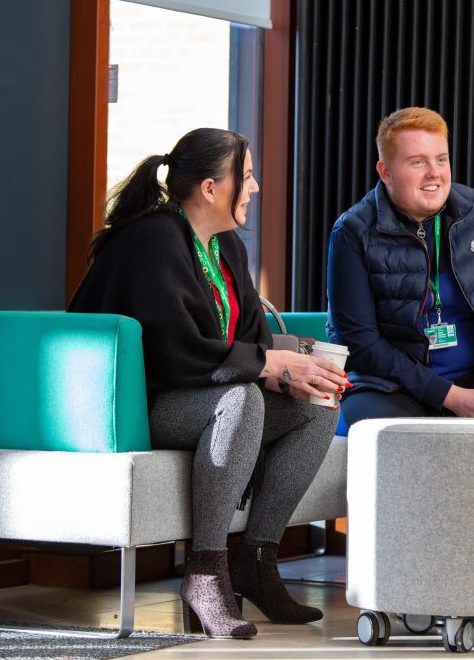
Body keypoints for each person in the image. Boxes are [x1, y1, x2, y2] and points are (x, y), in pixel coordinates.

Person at [69, 128, 347, 639]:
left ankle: (256, 561)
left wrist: (299, 373)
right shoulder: (154, 239)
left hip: (204, 395)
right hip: (146, 402)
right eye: (245, 176)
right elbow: (174, 350)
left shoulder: (226, 248)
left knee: (318, 407)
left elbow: (251, 342)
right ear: (210, 188)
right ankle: (205, 572)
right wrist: (269, 367)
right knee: (240, 400)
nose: (255, 186)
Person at [326, 107, 474, 429]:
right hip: (387, 386)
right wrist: (448, 395)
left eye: (441, 159)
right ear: (386, 172)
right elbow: (360, 342)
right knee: (398, 439)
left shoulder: (471, 209)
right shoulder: (353, 232)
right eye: (418, 162)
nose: (434, 173)